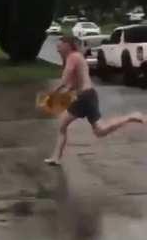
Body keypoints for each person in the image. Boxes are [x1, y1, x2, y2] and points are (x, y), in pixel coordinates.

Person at [45, 36, 144, 166]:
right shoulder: (76, 57)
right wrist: (64, 93)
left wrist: (53, 95)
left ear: (67, 45)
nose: (57, 48)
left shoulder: (72, 57)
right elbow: (71, 84)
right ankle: (130, 117)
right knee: (99, 130)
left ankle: (56, 157)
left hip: (84, 97)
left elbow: (65, 80)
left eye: (60, 45)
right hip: (87, 96)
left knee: (64, 126)